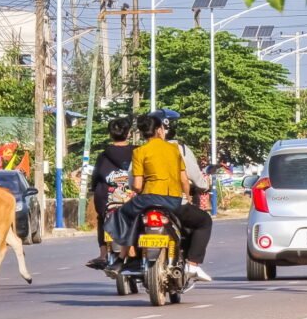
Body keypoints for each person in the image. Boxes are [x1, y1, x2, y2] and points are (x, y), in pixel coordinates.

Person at [106, 113, 214, 282]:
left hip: (146, 200)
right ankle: (193, 264)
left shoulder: (139, 152)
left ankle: (120, 259)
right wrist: (187, 198)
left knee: (126, 218)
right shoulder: (174, 149)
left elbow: (137, 186)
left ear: (142, 133)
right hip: (173, 201)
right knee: (204, 221)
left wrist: (139, 191)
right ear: (159, 130)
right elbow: (185, 181)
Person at [85, 117, 134, 270]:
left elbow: (96, 178)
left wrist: (94, 188)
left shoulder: (103, 155)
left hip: (108, 200)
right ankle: (134, 249)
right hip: (132, 198)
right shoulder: (138, 152)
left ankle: (103, 253)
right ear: (129, 133)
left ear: (110, 134)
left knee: (102, 219)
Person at [150, 109, 210, 208]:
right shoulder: (180, 149)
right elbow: (192, 177)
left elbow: (133, 182)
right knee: (204, 221)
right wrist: (204, 185)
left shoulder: (142, 150)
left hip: (148, 202)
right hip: (176, 201)